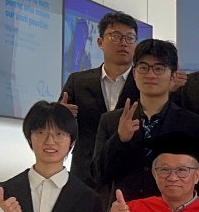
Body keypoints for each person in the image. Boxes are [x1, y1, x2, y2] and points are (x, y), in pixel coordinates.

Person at [91, 39, 199, 202]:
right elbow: (99, 176)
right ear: (134, 73)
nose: (150, 75)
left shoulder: (193, 125)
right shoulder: (111, 120)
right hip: (125, 211)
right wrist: (119, 139)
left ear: (173, 75)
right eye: (143, 68)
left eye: (159, 69)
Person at [60, 11, 141, 189]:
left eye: (130, 38)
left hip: (130, 173)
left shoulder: (144, 84)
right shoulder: (78, 81)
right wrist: (61, 115)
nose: (123, 43)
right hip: (86, 173)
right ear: (100, 42)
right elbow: (60, 125)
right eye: (116, 36)